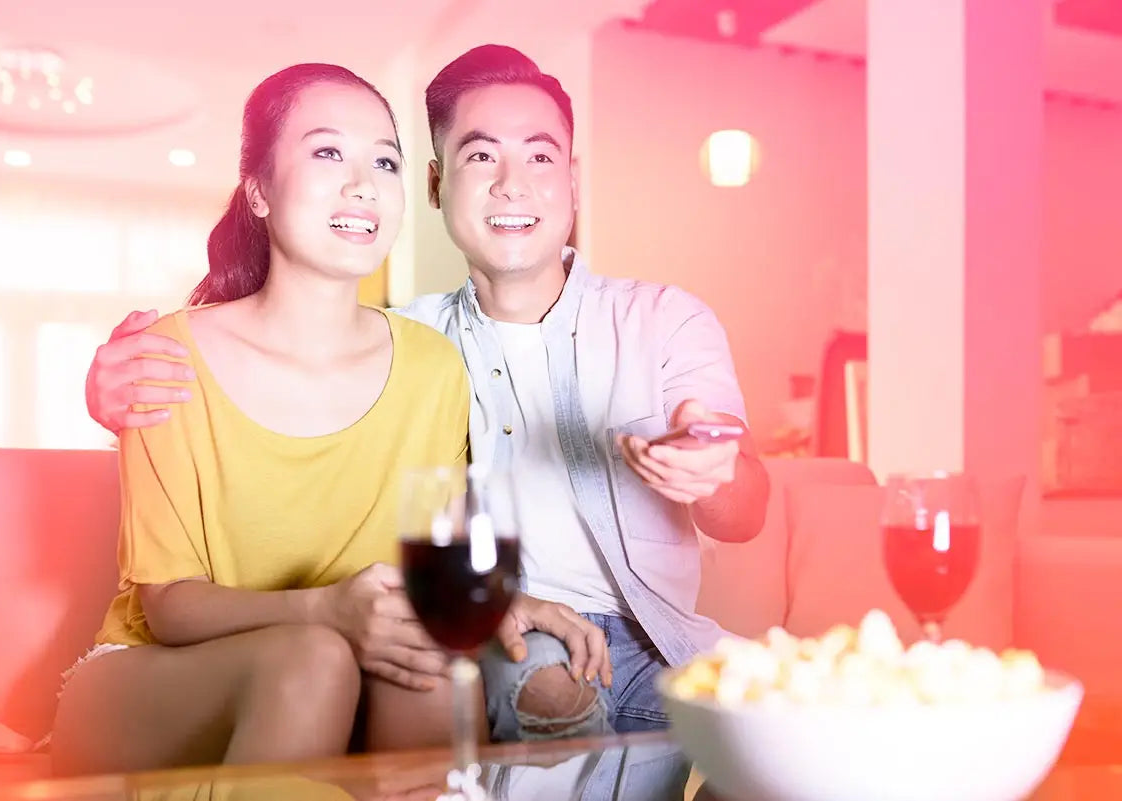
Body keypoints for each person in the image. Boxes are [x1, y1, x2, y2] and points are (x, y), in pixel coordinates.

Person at [83, 45, 770, 745]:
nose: (512, 184)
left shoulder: (640, 323)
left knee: (803, 739)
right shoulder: (403, 343)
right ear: (440, 186)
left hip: (660, 644)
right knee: (491, 677)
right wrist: (107, 393)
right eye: (481, 157)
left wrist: (713, 469)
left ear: (572, 178)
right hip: (491, 653)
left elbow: (743, 509)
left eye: (539, 157)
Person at [52, 62, 478, 777]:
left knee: (424, 653)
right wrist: (325, 612)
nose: (362, 183)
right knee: (312, 658)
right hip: (152, 678)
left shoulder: (434, 369)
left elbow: (426, 577)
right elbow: (169, 607)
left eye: (384, 160)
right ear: (257, 190)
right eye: (326, 152)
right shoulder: (167, 354)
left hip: (335, 673)